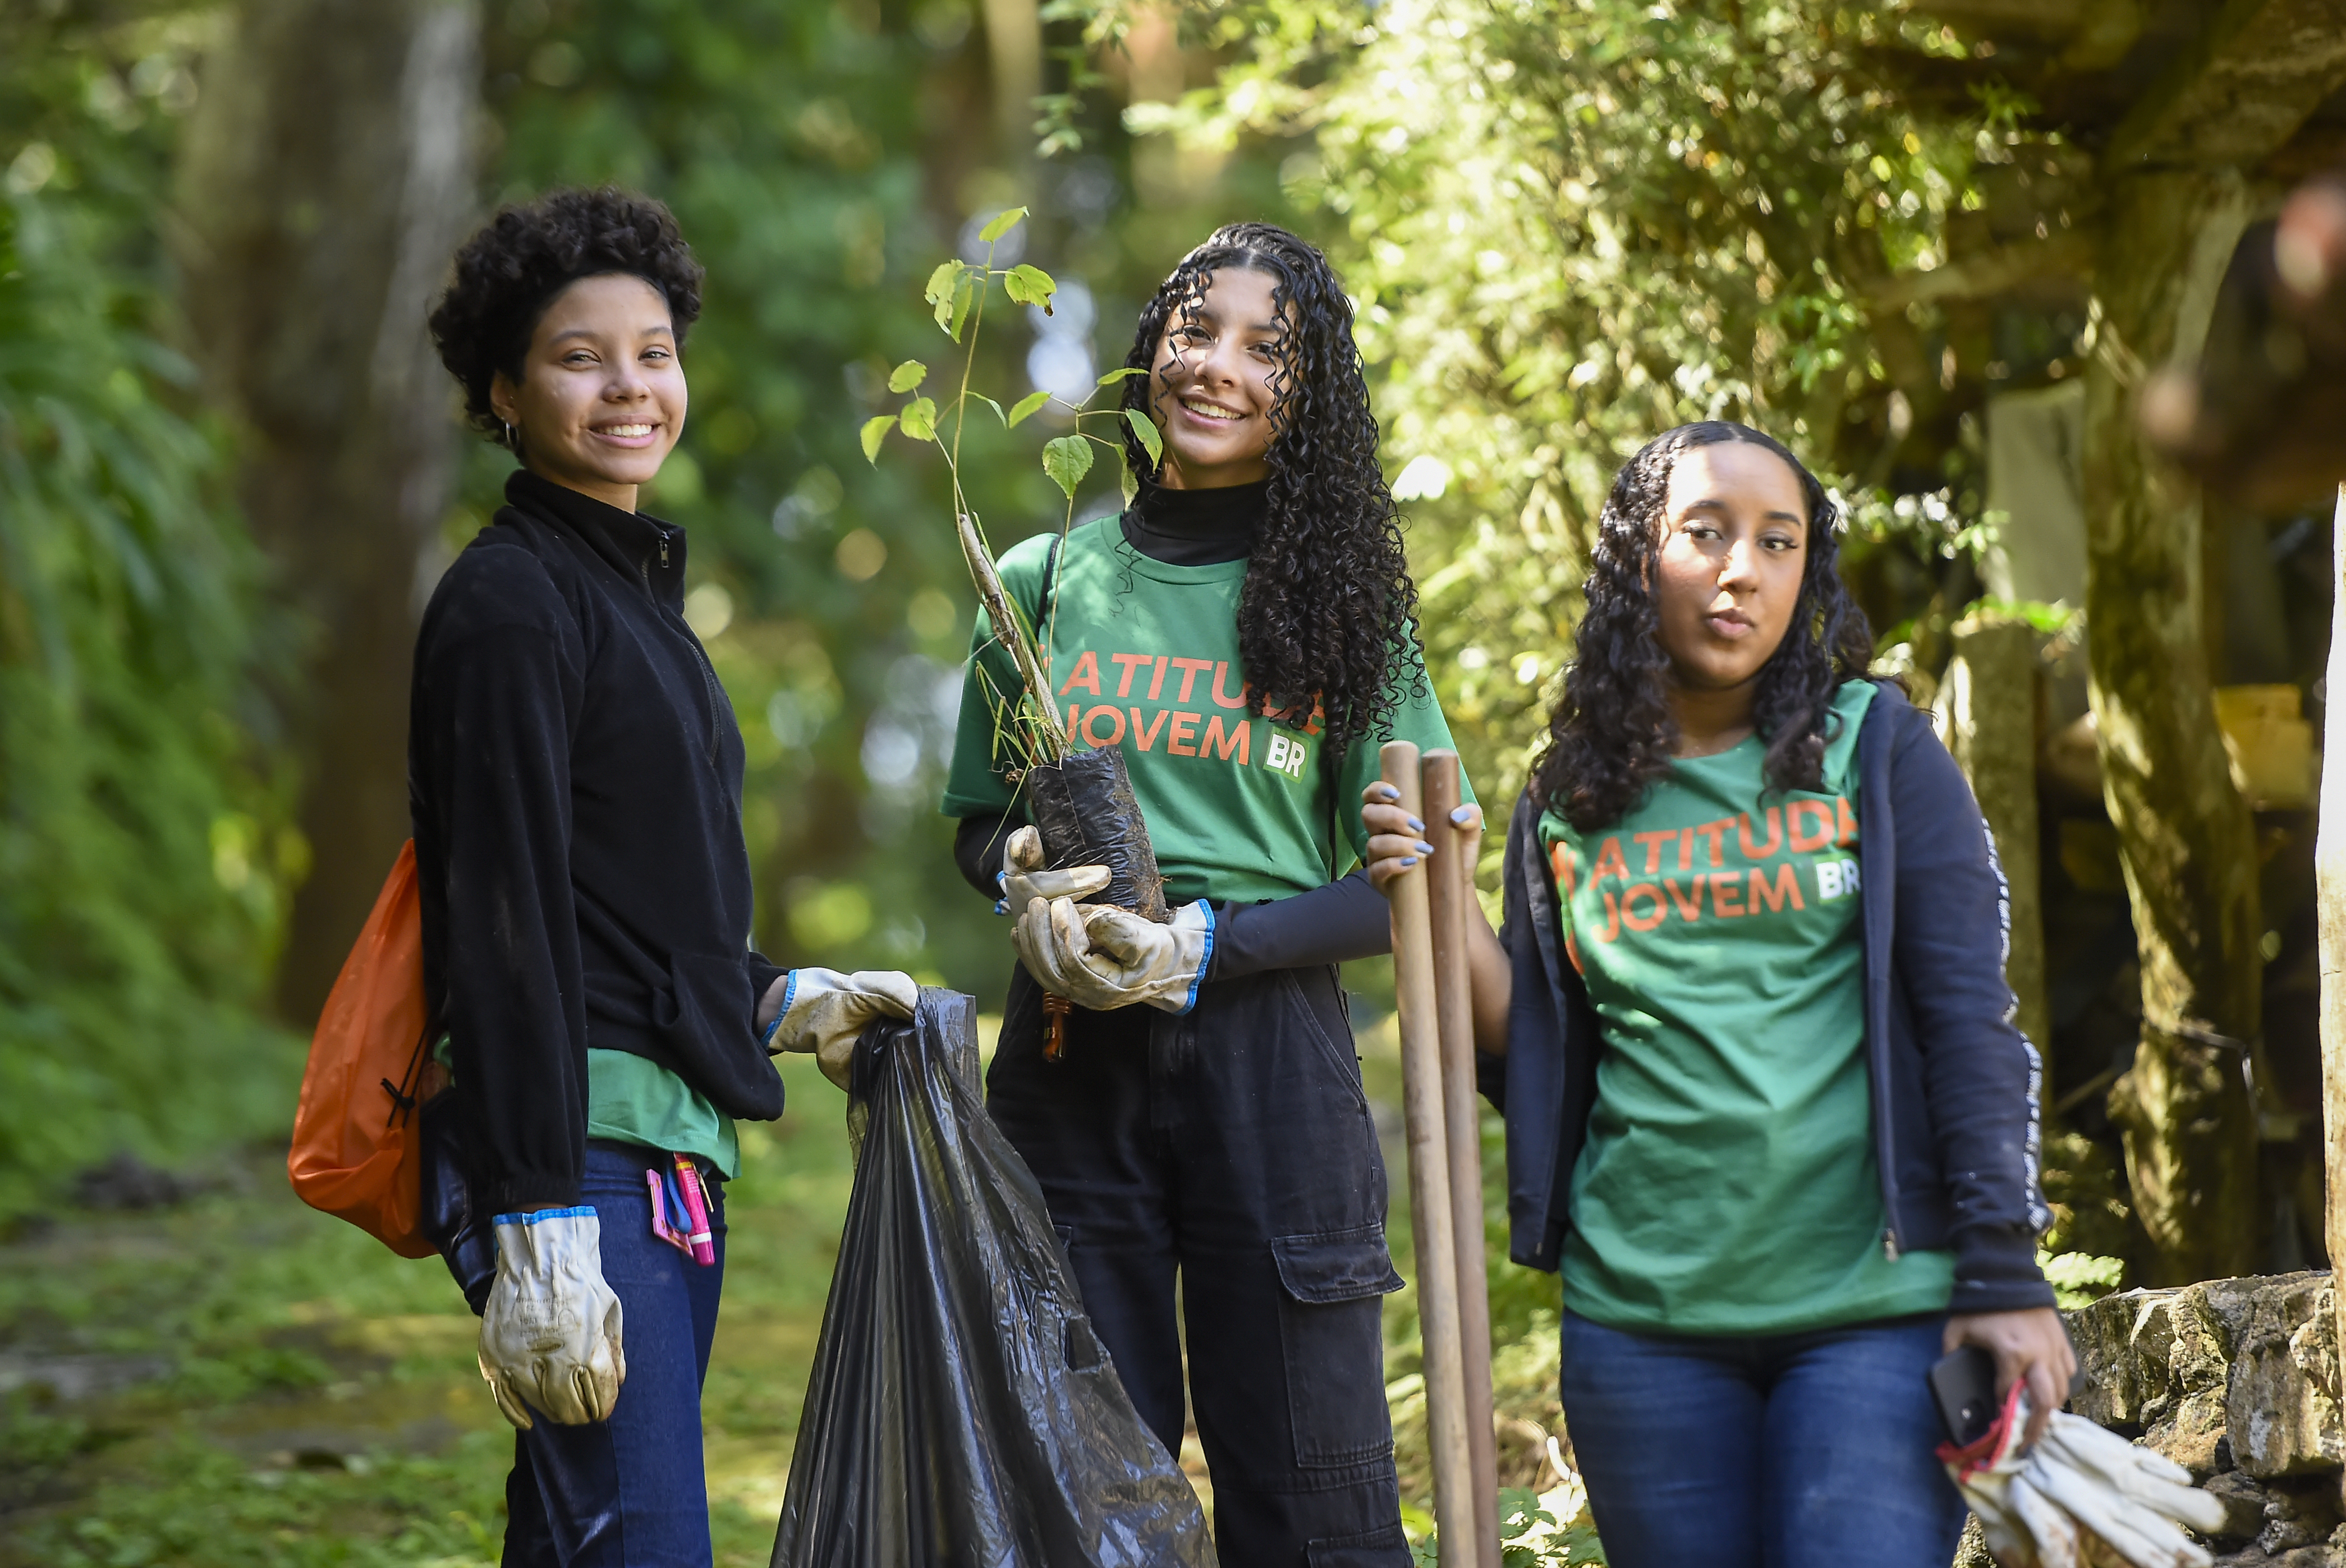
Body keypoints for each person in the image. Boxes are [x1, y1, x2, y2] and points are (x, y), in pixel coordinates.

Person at [1362, 421, 2072, 1567]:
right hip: (1642, 1331)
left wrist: (2002, 1268)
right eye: (1706, 533)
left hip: (1874, 1316)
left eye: (1778, 542)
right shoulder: (1571, 792)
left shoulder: (1876, 751)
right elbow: (1528, 1045)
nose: (1743, 567)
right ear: (1641, 559)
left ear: (1808, 572)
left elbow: (1966, 1021)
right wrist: (1430, 880)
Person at [940, 222, 1469, 1566]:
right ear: (1146, 351)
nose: (1216, 365)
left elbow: (1410, 892)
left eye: (1265, 347)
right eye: (1193, 328)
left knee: (1313, 1497)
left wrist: (1208, 946)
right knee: (1074, 1491)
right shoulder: (1041, 583)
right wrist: (1016, 880)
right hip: (1068, 1058)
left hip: (1274, 1060)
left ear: (1312, 394)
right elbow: (974, 825)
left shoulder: (1354, 617)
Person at [416, 186, 913, 1567]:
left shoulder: (642, 611)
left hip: (669, 1161)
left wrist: (782, 996)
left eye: (654, 351)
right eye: (581, 357)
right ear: (504, 392)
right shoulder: (512, 603)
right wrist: (535, 1219)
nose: (630, 385)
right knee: (641, 1545)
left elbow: (635, 909)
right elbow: (503, 918)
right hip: (582, 1163)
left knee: (585, 1541)